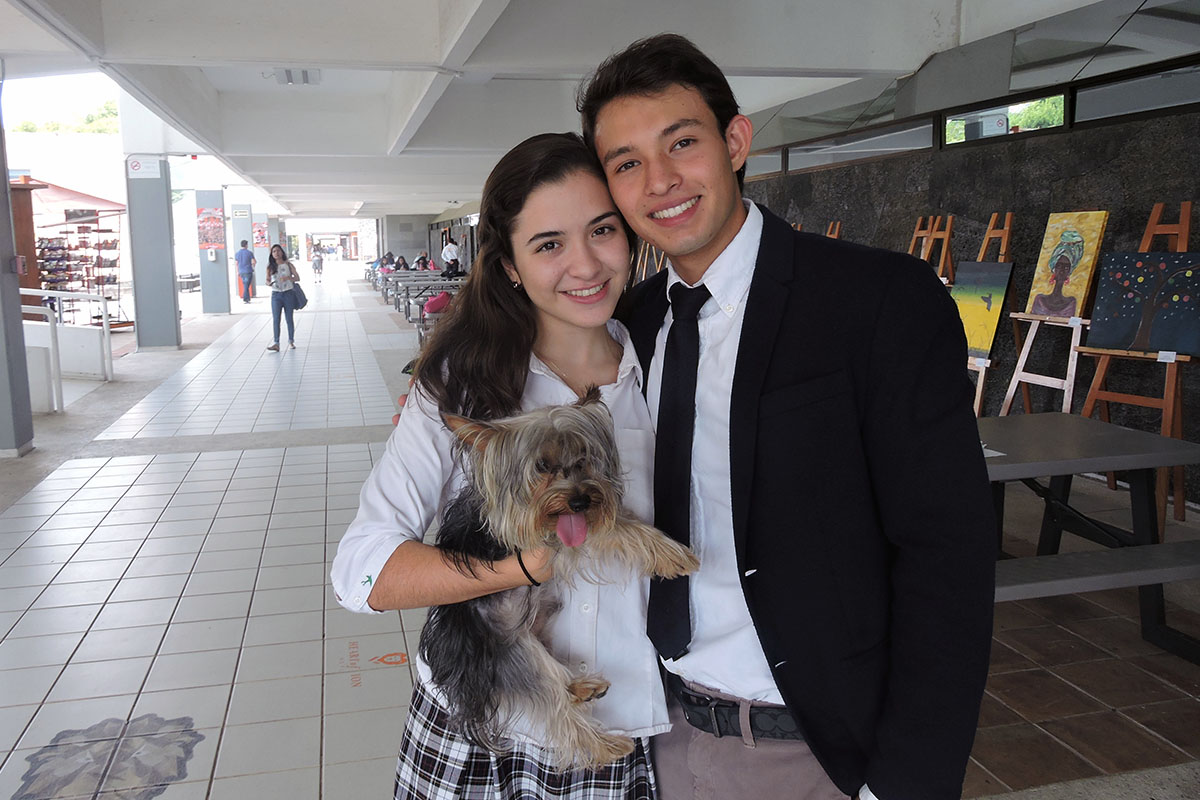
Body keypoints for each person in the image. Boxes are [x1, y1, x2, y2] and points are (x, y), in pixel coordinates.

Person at [578, 34, 995, 800]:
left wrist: (907, 782)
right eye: (626, 163)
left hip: (813, 754)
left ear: (736, 141)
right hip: (655, 738)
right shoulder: (624, 330)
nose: (660, 180)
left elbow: (947, 555)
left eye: (682, 142)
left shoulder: (876, 302)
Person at [331, 133, 664, 800]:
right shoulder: (463, 390)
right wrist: (516, 571)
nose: (585, 264)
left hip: (620, 729)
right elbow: (361, 572)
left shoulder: (667, 365)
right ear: (509, 264)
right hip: (478, 732)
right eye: (548, 244)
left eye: (602, 230)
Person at [266, 243, 301, 351]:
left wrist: (288, 278)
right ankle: (276, 343)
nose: (276, 253)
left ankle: (291, 341)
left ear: (282, 252)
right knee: (276, 319)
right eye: (274, 251)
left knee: (289, 318)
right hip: (276, 294)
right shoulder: (270, 267)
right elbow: (267, 280)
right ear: (272, 254)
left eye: (278, 251)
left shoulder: (288, 265)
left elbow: (297, 278)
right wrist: (269, 283)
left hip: (288, 293)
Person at [235, 239, 255, 304]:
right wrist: (253, 267)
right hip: (248, 271)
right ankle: (245, 298)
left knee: (245, 284)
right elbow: (254, 261)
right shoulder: (249, 253)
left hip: (241, 271)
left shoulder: (237, 253)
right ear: (246, 245)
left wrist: (237, 271)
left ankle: (247, 298)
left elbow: (236, 263)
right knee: (246, 285)